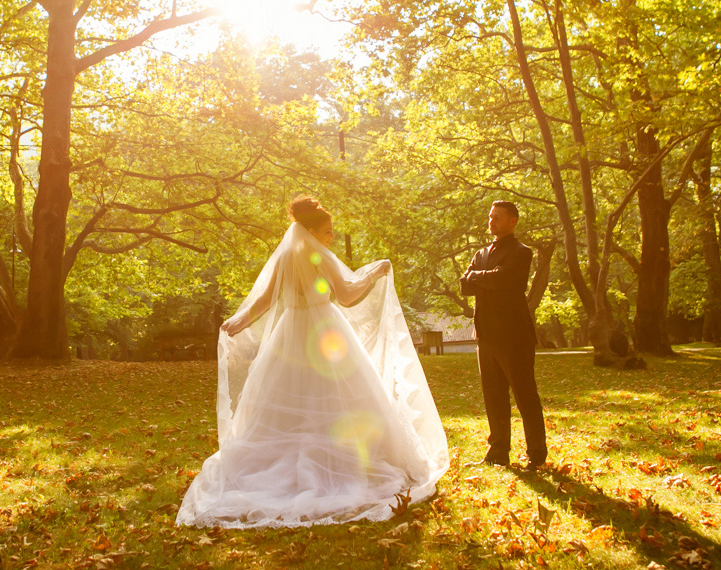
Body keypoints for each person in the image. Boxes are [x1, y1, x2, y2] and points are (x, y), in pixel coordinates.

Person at [177, 196, 449, 528]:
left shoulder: (287, 256)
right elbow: (347, 296)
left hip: (289, 333)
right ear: (311, 231)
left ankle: (292, 457)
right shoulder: (319, 254)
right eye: (328, 231)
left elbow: (264, 300)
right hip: (325, 332)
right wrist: (375, 272)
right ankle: (346, 460)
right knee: (342, 392)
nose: (331, 237)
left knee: (283, 395)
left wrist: (239, 321)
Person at [460, 200, 547, 470]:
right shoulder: (482, 253)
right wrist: (486, 278)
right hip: (485, 336)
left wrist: (480, 277)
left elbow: (508, 280)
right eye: (490, 216)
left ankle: (536, 454)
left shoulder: (522, 252)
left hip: (514, 336)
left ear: (513, 221)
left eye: (497, 217)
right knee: (494, 396)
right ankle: (498, 451)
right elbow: (464, 285)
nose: (492, 221)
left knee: (525, 395)